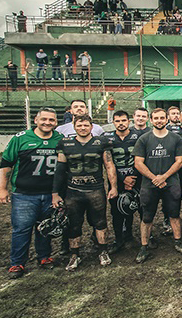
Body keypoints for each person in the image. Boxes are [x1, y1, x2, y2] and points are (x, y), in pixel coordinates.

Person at [0, 107, 62, 279]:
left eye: (51, 120)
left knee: (45, 228)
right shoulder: (21, 139)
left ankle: (44, 257)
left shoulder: (60, 139)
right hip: (24, 194)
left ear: (56, 122)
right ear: (36, 120)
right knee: (21, 229)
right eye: (44, 119)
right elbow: (6, 164)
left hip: (49, 193)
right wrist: (2, 189)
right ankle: (17, 263)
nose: (47, 123)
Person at [51, 115, 118, 271]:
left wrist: (113, 187)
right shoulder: (65, 143)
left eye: (86, 125)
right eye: (79, 125)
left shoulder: (101, 143)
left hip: (95, 189)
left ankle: (103, 251)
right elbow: (60, 170)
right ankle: (74, 254)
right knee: (74, 224)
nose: (82, 128)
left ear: (91, 126)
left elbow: (109, 166)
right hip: (73, 190)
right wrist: (55, 193)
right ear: (74, 126)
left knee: (100, 222)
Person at [132, 108, 182, 263]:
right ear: (151, 120)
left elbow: (179, 161)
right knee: (147, 216)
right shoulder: (144, 139)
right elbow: (138, 162)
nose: (159, 120)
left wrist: (164, 176)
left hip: (171, 183)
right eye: (156, 118)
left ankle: (178, 241)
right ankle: (144, 247)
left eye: (162, 118)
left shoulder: (176, 138)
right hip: (149, 184)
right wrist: (154, 178)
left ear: (167, 119)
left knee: (174, 214)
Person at [103, 110, 141, 253]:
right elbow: (107, 163)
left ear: (129, 121)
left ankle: (130, 234)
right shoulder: (107, 139)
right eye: (117, 121)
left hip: (136, 178)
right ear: (113, 122)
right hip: (116, 180)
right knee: (116, 210)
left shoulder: (138, 137)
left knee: (134, 206)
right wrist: (122, 178)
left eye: (123, 120)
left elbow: (142, 159)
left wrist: (132, 178)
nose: (121, 124)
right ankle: (118, 239)